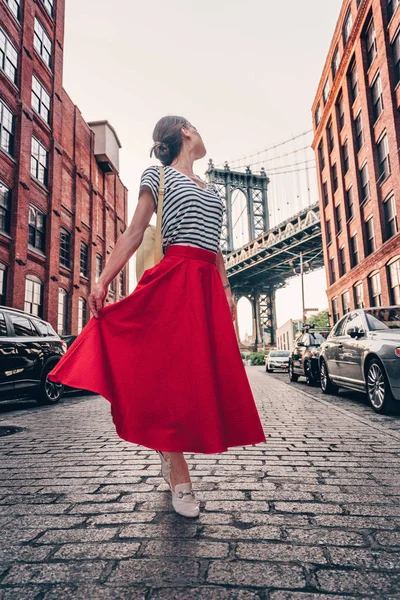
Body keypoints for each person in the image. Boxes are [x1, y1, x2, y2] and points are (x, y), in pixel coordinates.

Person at [47, 115, 266, 518]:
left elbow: (215, 246)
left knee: (196, 378)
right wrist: (102, 281)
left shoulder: (213, 191)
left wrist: (226, 289)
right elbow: (134, 232)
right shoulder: (159, 175)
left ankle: (170, 459)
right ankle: (180, 477)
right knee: (166, 377)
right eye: (196, 126)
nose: (200, 132)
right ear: (184, 130)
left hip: (205, 287)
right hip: (173, 278)